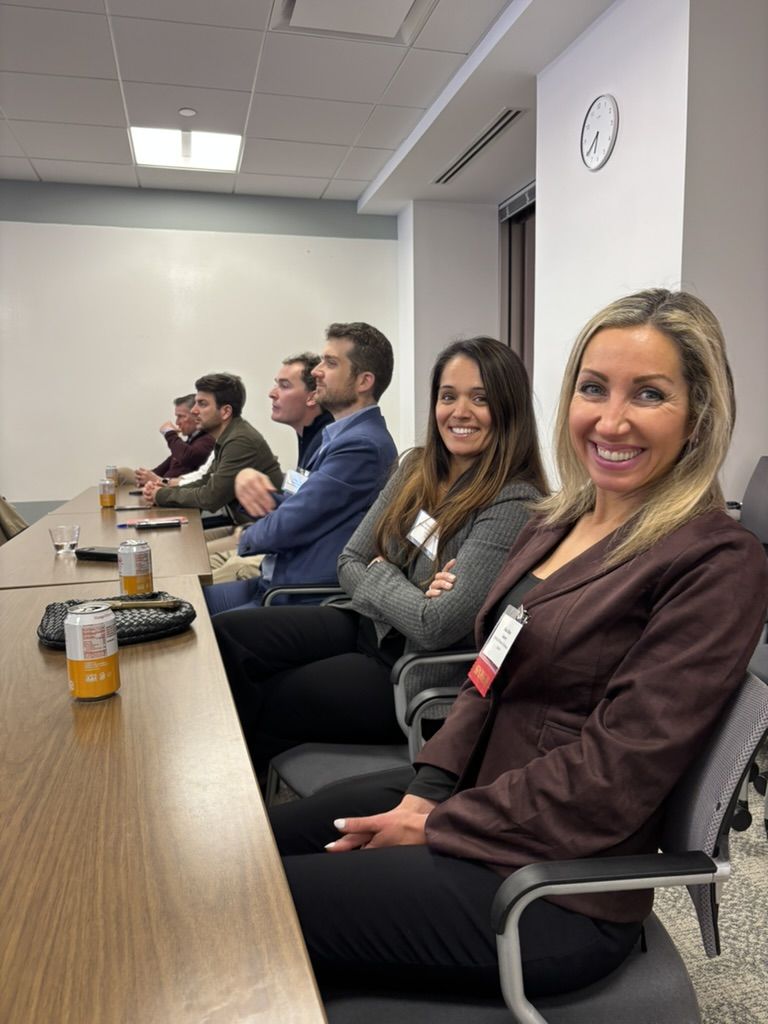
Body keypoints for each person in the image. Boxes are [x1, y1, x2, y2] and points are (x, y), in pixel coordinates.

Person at [268, 289, 768, 1003]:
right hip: (472, 797)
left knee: (261, 908)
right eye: (593, 388)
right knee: (257, 850)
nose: (611, 419)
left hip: (548, 886)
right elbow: (485, 674)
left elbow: (614, 776)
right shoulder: (557, 520)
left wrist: (440, 821)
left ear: (700, 413)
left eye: (649, 394)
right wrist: (426, 792)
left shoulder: (714, 561)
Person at [212, 336, 547, 769]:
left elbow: (433, 626)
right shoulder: (416, 468)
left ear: (509, 408)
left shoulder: (512, 501)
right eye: (448, 396)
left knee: (269, 694)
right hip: (364, 623)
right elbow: (349, 560)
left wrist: (384, 572)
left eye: (480, 399)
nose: (459, 412)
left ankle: (250, 800)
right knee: (228, 636)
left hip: (407, 668)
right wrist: (410, 590)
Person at [203, 323, 397, 613]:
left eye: (330, 363)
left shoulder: (361, 446)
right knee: (189, 602)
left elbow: (291, 523)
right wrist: (255, 493)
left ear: (363, 382)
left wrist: (245, 537)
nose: (317, 371)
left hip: (298, 595)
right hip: (277, 581)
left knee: (196, 626)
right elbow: (298, 502)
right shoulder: (336, 436)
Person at [207, 353, 333, 583]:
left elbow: (300, 521)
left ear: (312, 396)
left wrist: (251, 532)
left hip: (290, 560)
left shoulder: (327, 444)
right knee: (197, 565)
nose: (272, 393)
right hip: (270, 539)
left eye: (284, 386)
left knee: (193, 585)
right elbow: (295, 498)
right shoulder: (310, 439)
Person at [142, 372, 282, 525]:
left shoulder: (240, 440)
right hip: (244, 526)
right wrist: (165, 490)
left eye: (202, 404)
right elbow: (205, 481)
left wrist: (161, 495)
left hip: (257, 532)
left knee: (182, 539)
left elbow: (210, 498)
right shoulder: (228, 436)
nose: (194, 410)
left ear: (225, 412)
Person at [118, 394, 214, 486]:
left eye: (181, 416)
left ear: (197, 416)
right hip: (161, 486)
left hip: (172, 491)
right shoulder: (188, 443)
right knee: (122, 473)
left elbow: (188, 457)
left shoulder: (208, 439)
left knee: (123, 475)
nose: (177, 422)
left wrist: (169, 433)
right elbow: (158, 472)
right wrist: (144, 477)